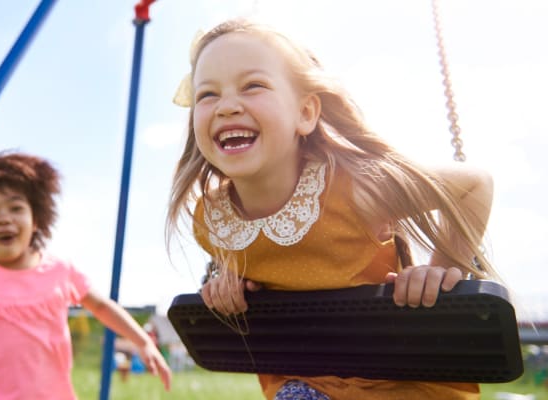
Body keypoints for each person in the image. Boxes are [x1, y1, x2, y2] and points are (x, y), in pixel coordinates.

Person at [165, 18, 501, 400]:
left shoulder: (352, 189)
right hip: (305, 383)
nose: (226, 106)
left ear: (306, 113)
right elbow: (257, 262)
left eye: (253, 85)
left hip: (398, 379)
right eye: (207, 94)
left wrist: (440, 270)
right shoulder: (212, 220)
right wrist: (228, 286)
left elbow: (474, 183)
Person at [0, 151, 171, 399]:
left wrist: (143, 341)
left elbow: (102, 307)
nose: (3, 218)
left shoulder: (61, 272)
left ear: (36, 220)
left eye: (15, 208)